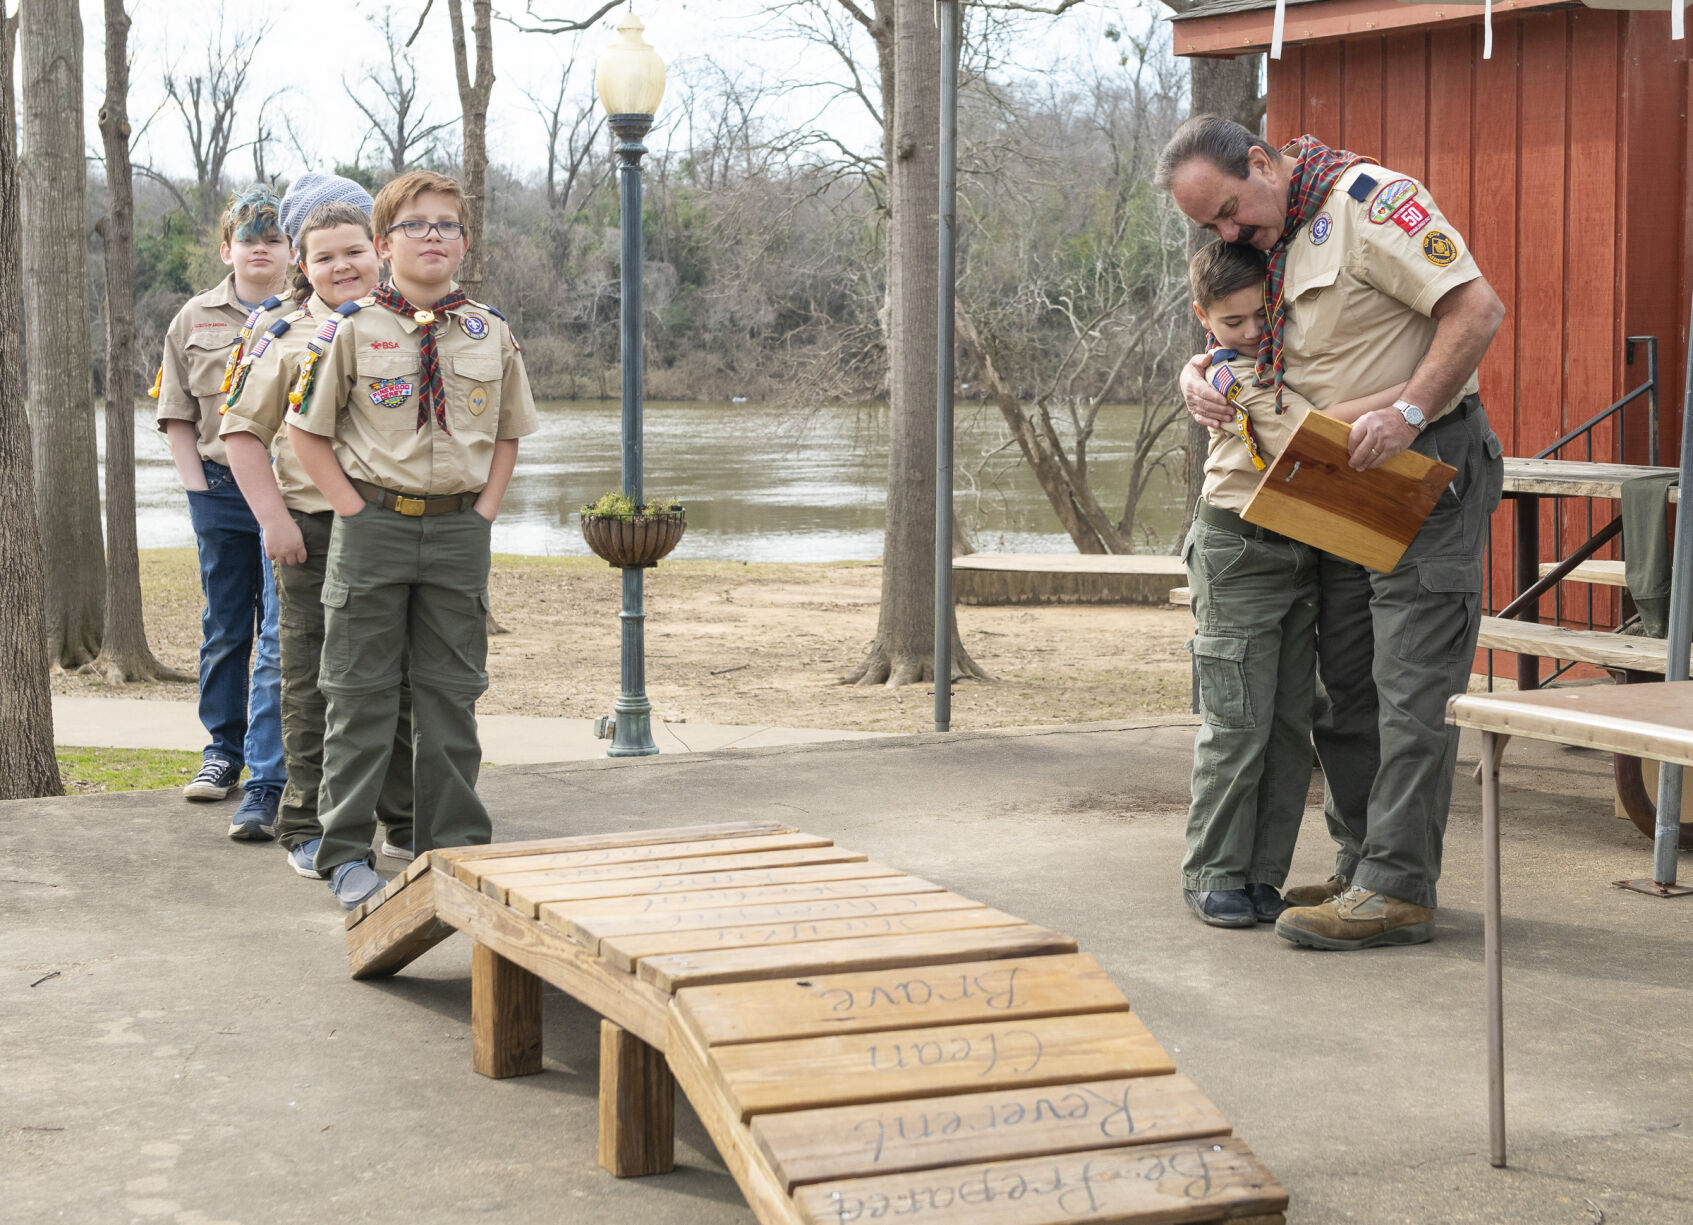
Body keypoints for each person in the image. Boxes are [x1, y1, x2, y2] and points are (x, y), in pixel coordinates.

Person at [1159, 116, 1505, 950]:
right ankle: (1361, 866)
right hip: (1337, 484)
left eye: (1230, 212)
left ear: (1259, 163)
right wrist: (1196, 370)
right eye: (1210, 227)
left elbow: (1475, 309)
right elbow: (1258, 344)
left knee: (1410, 687)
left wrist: (1409, 408)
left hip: (1419, 467)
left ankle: (1397, 886)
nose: (1227, 233)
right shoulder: (1274, 233)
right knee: (1347, 690)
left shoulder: (1370, 203)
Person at [287, 170, 537, 909]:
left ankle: (453, 845)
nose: (434, 236)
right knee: (357, 694)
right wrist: (355, 514)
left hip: (459, 531)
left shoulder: (489, 332)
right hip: (375, 528)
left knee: (450, 696)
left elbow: (508, 434)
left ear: (463, 241)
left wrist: (484, 511)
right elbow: (307, 432)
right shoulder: (350, 329)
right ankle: (344, 853)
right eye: (417, 224)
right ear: (385, 241)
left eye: (447, 225)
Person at [1178, 240, 1409, 929]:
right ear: (1204, 319)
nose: (1249, 332)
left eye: (1260, 317)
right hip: (1236, 550)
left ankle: (1260, 875)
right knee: (1236, 719)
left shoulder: (1280, 358)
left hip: (1299, 545)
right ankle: (1212, 869)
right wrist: (1426, 389)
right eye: (1231, 322)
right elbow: (1309, 433)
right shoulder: (1227, 376)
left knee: (1284, 726)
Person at [220, 185, 418, 881]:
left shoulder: (412, 323)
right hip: (317, 532)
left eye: (355, 251)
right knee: (312, 681)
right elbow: (241, 435)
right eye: (325, 256)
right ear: (303, 264)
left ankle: (403, 817)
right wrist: (274, 521)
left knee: (397, 679)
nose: (343, 266)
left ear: (379, 251)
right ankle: (307, 823)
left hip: (398, 527)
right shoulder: (281, 334)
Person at [152, 187, 290, 839]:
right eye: (248, 237)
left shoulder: (314, 313)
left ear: (290, 250)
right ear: (226, 248)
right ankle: (222, 755)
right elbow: (176, 412)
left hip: (293, 491)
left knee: (285, 633)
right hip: (220, 492)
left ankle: (283, 760)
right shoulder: (193, 319)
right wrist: (197, 491)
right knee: (228, 627)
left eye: (273, 238)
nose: (260, 247)